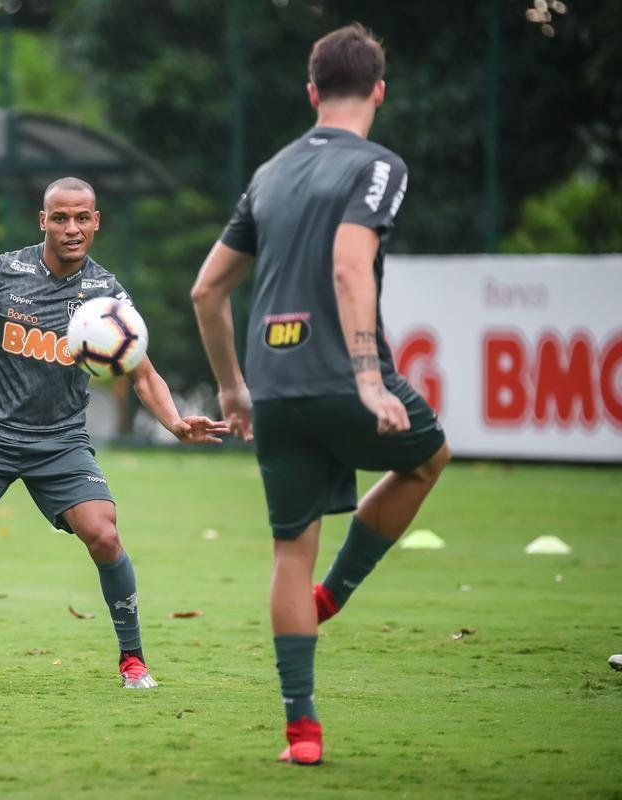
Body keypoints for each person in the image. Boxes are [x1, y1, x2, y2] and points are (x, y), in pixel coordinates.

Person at [0, 177, 229, 689]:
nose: (71, 229)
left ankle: (132, 658)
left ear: (97, 222)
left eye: (82, 218)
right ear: (43, 221)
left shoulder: (108, 295)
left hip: (61, 442)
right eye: (60, 218)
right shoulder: (5, 271)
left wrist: (176, 423)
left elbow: (142, 372)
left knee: (104, 533)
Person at [191, 25, 451, 765]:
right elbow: (348, 264)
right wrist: (370, 377)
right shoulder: (380, 165)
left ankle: (302, 734)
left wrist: (233, 389)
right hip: (342, 376)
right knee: (428, 458)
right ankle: (335, 594)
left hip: (272, 388)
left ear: (310, 93)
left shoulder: (269, 172)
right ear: (379, 91)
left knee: (287, 551)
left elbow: (207, 290)